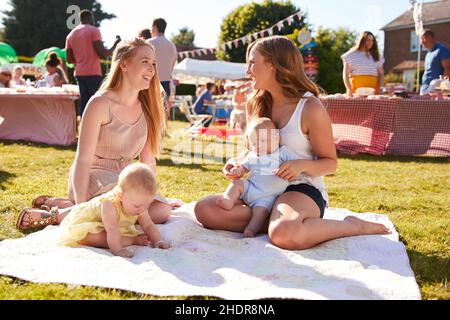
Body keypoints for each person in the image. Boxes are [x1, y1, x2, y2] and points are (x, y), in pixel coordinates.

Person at [195, 36, 391, 250]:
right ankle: (273, 219)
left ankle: (352, 226)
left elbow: (330, 163)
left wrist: (300, 165)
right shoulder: (258, 104)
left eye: (252, 62)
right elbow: (251, 150)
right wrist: (236, 162)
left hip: (301, 188)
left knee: (284, 234)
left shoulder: (310, 108)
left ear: (273, 65)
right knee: (205, 209)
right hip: (262, 187)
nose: (247, 70)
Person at [16, 38, 172, 232]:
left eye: (153, 64)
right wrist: (81, 208)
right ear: (124, 64)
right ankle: (60, 214)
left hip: (125, 179)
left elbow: (147, 162)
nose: (151, 69)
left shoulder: (148, 108)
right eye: (145, 62)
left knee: (162, 210)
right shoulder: (99, 104)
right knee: (124, 208)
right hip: (91, 176)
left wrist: (148, 195)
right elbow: (83, 161)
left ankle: (65, 206)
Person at [59, 163, 171, 258]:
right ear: (121, 195)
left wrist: (158, 241)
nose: (142, 209)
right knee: (91, 237)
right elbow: (112, 230)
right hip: (89, 221)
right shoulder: (109, 204)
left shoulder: (140, 204)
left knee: (114, 234)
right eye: (137, 206)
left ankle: (129, 239)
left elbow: (148, 225)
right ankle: (132, 240)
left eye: (147, 205)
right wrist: (118, 250)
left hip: (111, 227)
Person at [217, 118, 299, 238]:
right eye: (254, 143)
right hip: (250, 187)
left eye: (263, 140)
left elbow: (295, 167)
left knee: (259, 213)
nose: (258, 146)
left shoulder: (283, 153)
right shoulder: (252, 155)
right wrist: (238, 170)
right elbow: (244, 168)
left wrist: (287, 171)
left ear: (276, 137)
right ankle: (228, 200)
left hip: (267, 196)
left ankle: (251, 229)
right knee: (237, 183)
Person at [65, 9, 121, 116]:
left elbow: (69, 59)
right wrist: (115, 45)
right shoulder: (93, 31)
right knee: (97, 103)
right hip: (93, 73)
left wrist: (81, 59)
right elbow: (103, 53)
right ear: (90, 18)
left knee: (84, 103)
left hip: (79, 73)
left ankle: (83, 128)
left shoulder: (71, 35)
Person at [148, 18, 178, 118]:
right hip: (166, 83)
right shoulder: (172, 46)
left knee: (148, 112)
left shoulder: (149, 43)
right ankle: (161, 133)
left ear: (155, 27)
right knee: (162, 114)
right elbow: (172, 66)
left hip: (150, 81)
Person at [341, 31, 384, 96]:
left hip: (372, 93)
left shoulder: (377, 56)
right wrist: (349, 89)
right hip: (355, 92)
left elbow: (381, 74)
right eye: (368, 40)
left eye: (372, 40)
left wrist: (379, 88)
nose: (370, 43)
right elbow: (345, 74)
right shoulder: (350, 55)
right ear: (362, 41)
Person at [420, 29, 450, 95]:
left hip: (434, 92)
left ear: (429, 38)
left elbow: (448, 69)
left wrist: (440, 90)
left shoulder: (441, 50)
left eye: (422, 39)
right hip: (425, 90)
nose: (421, 42)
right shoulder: (428, 53)